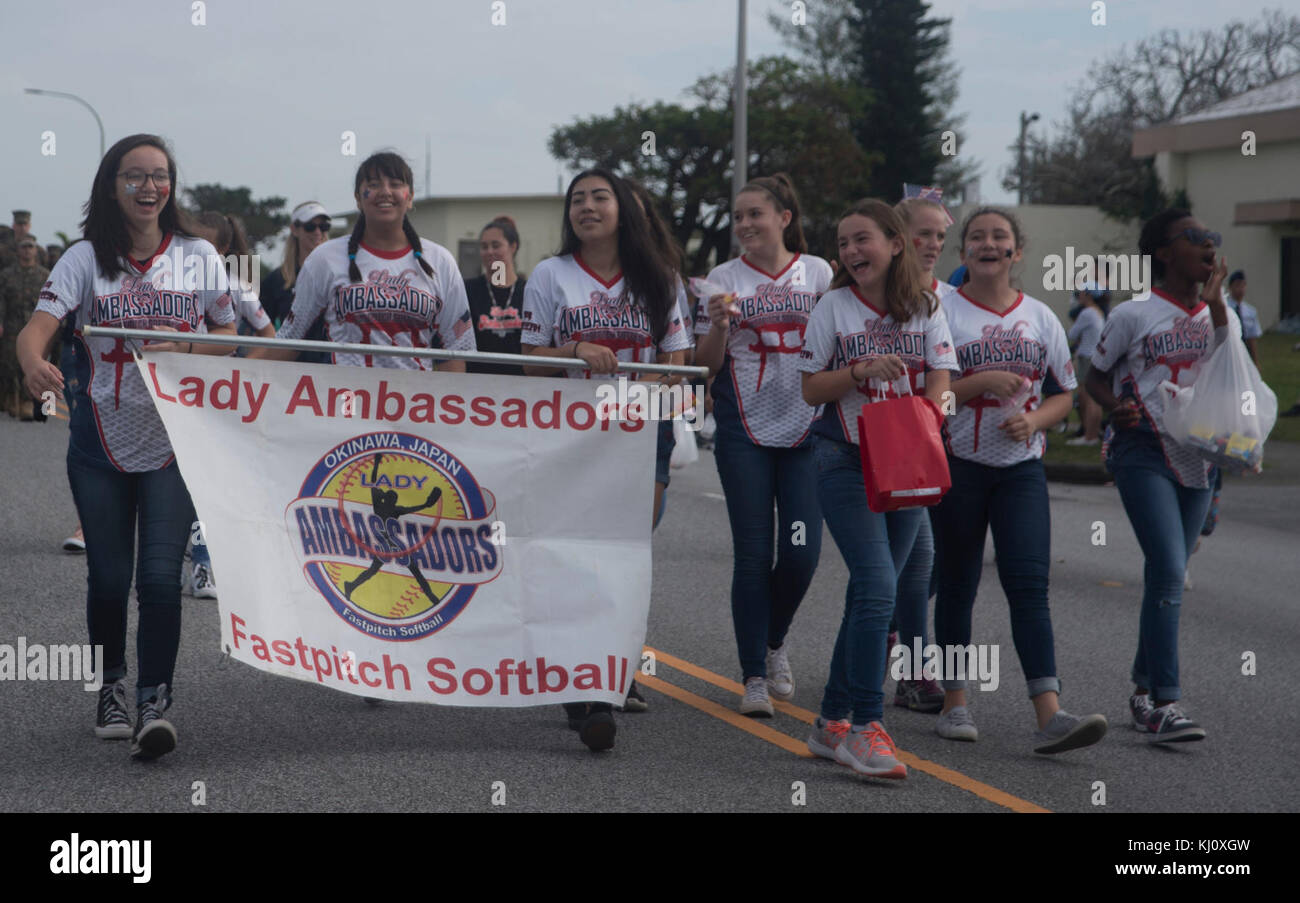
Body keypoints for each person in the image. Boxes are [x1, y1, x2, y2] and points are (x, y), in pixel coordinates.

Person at [16, 133, 238, 759]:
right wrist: (34, 365)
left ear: (172, 186)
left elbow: (229, 330)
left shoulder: (198, 255)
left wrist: (191, 348)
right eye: (134, 176)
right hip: (99, 443)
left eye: (160, 176)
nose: (149, 187)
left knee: (162, 582)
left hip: (176, 442)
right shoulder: (84, 258)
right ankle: (111, 684)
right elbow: (35, 332)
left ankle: (154, 700)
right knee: (110, 579)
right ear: (111, 186)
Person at [520, 167, 690, 751]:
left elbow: (681, 362)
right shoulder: (550, 274)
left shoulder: (662, 278)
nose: (587, 207)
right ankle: (586, 688)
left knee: (624, 550)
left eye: (599, 196)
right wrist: (574, 349)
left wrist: (653, 384)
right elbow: (529, 362)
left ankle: (609, 665)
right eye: (576, 199)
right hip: (570, 435)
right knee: (576, 551)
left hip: (645, 433)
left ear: (625, 209)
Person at [932, 206, 1108, 754]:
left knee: (1029, 587)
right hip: (957, 462)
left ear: (1016, 251)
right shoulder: (940, 311)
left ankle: (1050, 714)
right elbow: (929, 398)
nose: (989, 243)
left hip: (1021, 469)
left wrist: (1034, 420)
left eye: (999, 236)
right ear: (963, 254)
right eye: (977, 237)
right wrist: (979, 380)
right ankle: (954, 703)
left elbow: (1065, 393)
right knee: (957, 581)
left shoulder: (1041, 317)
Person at [798, 199, 958, 779]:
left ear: (896, 244)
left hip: (906, 467)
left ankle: (829, 722)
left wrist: (933, 422)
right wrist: (858, 373)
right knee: (877, 583)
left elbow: (943, 377)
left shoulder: (927, 308)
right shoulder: (832, 309)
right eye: (842, 244)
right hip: (842, 459)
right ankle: (866, 726)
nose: (849, 252)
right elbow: (811, 390)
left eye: (861, 239)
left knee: (874, 594)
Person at [1085, 209, 1235, 744]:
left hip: (1200, 455)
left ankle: (1144, 691)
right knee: (1171, 567)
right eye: (1196, 237)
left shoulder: (1223, 312)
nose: (1209, 246)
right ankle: (1165, 703)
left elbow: (1230, 373)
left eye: (1211, 237)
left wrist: (1218, 310)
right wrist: (1112, 406)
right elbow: (1095, 375)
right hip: (1141, 448)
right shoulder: (1133, 313)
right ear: (1165, 253)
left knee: (1165, 572)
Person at [695, 174, 833, 719]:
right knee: (754, 553)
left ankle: (775, 641)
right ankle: (753, 673)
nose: (746, 224)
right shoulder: (721, 279)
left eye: (757, 214)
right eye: (739, 216)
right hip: (743, 430)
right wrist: (719, 326)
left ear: (785, 217)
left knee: (801, 553)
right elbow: (705, 365)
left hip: (808, 427)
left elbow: (837, 343)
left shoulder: (819, 272)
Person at [250, 152, 472, 374]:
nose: (385, 192)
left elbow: (455, 353)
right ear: (358, 198)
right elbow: (290, 341)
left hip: (413, 405)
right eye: (374, 185)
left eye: (395, 184)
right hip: (345, 403)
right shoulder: (325, 259)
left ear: (410, 196)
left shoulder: (441, 262)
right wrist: (238, 378)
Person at [883, 196, 957, 714]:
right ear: (896, 238)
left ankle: (889, 639)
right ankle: (911, 670)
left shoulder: (949, 298)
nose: (932, 245)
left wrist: (940, 411)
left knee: (922, 563)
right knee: (913, 560)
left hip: (938, 443)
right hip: (882, 443)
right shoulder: (870, 294)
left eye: (939, 237)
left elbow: (949, 372)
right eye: (922, 234)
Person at [258, 201, 333, 364]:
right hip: (289, 371)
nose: (318, 232)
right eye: (310, 227)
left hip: (331, 368)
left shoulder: (337, 275)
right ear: (294, 229)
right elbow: (261, 330)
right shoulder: (276, 279)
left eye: (324, 226)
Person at [464, 216, 526, 377]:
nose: (490, 251)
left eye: (496, 245)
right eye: (484, 247)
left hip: (523, 389)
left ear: (513, 247)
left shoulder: (530, 291)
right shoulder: (467, 290)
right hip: (478, 388)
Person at [1, 235, 50, 419]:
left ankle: (39, 407)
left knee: (42, 366)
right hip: (12, 325)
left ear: (36, 250)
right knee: (10, 365)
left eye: (30, 247)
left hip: (38, 326)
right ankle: (15, 400)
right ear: (18, 250)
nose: (27, 250)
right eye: (24, 247)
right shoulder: (7, 274)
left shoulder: (45, 275)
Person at [1066, 283, 1108, 445]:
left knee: (1090, 398)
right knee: (1087, 397)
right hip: (1094, 356)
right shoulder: (1097, 312)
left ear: (1089, 294)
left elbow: (1072, 334)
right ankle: (1091, 432)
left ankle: (1090, 436)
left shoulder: (1087, 313)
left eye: (1082, 292)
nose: (1079, 295)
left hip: (1087, 357)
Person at [1224, 270, 1261, 364]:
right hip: (1229, 351)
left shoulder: (1250, 311)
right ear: (1230, 287)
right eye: (1237, 285)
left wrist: (1255, 362)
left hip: (1244, 352)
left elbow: (1252, 339)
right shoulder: (1225, 308)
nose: (1241, 289)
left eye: (1243, 285)